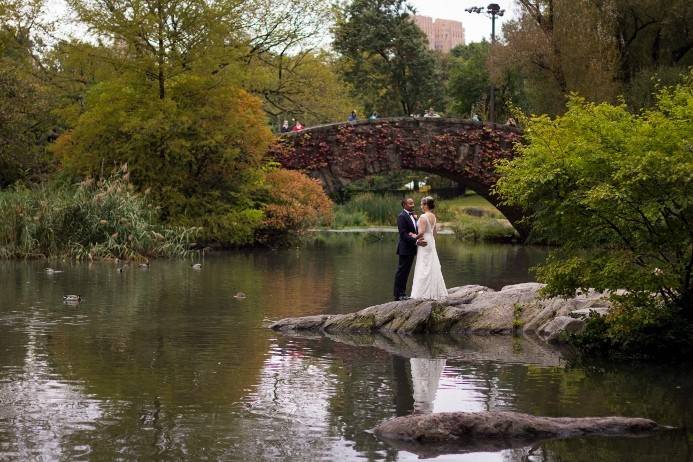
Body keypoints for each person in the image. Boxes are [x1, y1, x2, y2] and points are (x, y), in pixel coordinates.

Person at [410, 196, 447, 300]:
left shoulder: (423, 216)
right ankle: (435, 291)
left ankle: (422, 293)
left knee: (424, 265)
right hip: (431, 241)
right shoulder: (433, 216)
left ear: (426, 205)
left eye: (422, 204)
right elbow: (435, 233)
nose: (421, 206)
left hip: (424, 242)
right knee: (431, 265)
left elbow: (421, 232)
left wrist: (413, 236)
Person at [394, 198, 427, 301]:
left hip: (411, 249)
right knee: (402, 271)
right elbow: (403, 235)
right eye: (410, 203)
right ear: (404, 205)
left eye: (413, 203)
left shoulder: (413, 216)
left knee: (406, 271)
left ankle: (402, 293)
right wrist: (416, 241)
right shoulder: (401, 217)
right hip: (404, 249)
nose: (413, 205)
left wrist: (416, 235)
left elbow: (413, 231)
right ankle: (399, 294)